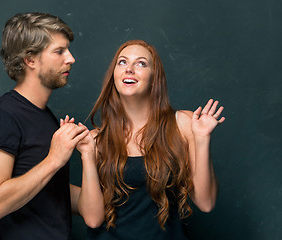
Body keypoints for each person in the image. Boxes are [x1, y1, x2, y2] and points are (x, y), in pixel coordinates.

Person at [76, 40, 225, 239]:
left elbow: (206, 203)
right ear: (114, 76)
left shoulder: (183, 124)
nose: (129, 69)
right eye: (122, 62)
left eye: (141, 63)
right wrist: (87, 154)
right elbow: (93, 220)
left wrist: (202, 138)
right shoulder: (96, 139)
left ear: (155, 78)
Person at [0, 12, 99, 240]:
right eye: (59, 51)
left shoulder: (44, 117)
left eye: (67, 50)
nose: (71, 58)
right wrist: (54, 159)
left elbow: (47, 193)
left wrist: (119, 191)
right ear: (30, 60)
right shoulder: (1, 117)